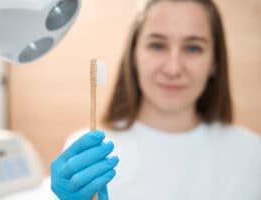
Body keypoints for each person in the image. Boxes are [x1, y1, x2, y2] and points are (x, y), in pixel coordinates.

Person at [50, 0, 261, 199]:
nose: (173, 68)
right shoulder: (86, 157)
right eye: (157, 46)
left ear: (214, 61)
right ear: (133, 55)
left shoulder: (252, 154)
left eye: (193, 48)